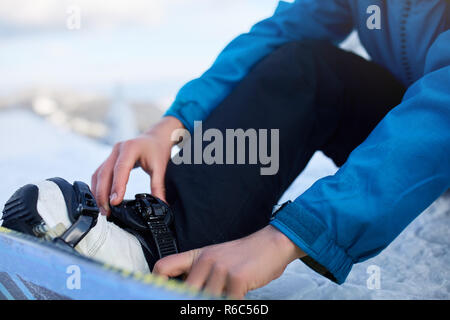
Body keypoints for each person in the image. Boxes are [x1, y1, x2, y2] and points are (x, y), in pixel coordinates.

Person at [3, 1, 449, 299]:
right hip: (414, 120)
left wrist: (286, 238)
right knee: (309, 68)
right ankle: (174, 240)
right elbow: (283, 31)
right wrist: (174, 122)